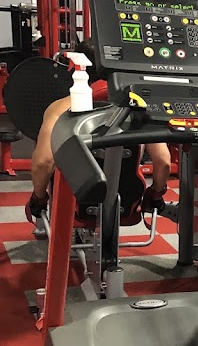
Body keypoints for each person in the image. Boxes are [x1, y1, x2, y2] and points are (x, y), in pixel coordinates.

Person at [26, 49, 171, 223]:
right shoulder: (139, 109)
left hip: (73, 202)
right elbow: (163, 162)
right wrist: (155, 195)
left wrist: (39, 198)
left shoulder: (59, 109)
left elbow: (43, 163)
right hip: (126, 202)